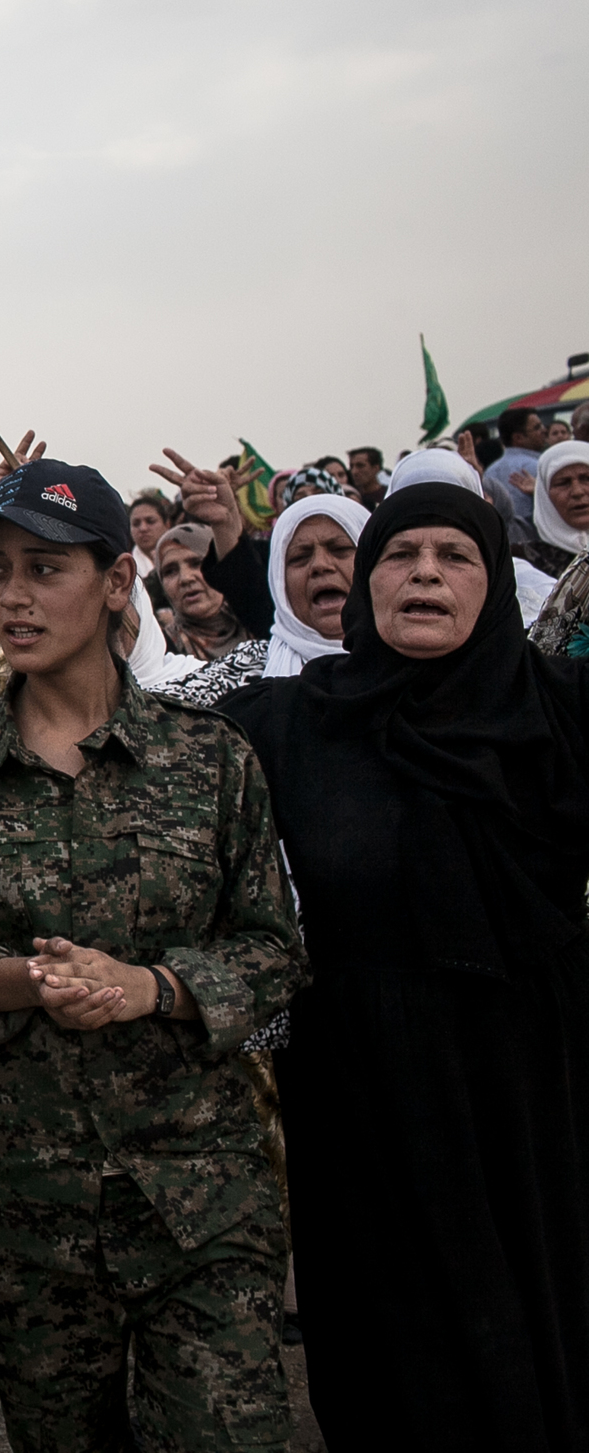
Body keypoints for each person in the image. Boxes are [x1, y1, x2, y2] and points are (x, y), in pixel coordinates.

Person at [0, 459, 303, 1452]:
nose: (15, 594)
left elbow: (273, 951)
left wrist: (151, 987)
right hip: (23, 1205)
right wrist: (2, 979)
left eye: (46, 567)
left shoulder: (209, 758)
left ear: (117, 580)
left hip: (197, 1197)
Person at [222, 482, 589, 1448]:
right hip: (360, 1089)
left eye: (454, 555)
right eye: (401, 554)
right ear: (370, 584)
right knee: (393, 1346)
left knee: (536, 1318)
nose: (425, 572)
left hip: (531, 1084)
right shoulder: (287, 723)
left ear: (496, 583)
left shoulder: (561, 717)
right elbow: (125, 751)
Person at [155, 494, 368, 709]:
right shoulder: (247, 671)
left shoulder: (400, 661)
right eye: (300, 557)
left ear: (373, 561)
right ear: (279, 581)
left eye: (340, 550)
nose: (320, 565)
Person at [153, 523, 254, 660]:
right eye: (170, 571)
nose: (185, 578)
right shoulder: (162, 652)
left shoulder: (262, 626)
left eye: (197, 563)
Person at [485, 405, 552, 551]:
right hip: (539, 549)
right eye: (537, 428)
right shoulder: (539, 467)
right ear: (518, 438)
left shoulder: (490, 471)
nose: (544, 430)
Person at [526, 437, 589, 578]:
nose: (577, 492)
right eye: (563, 483)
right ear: (545, 495)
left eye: (586, 478)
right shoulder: (526, 563)